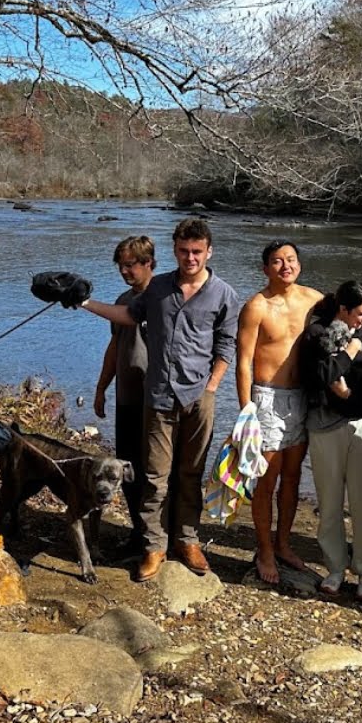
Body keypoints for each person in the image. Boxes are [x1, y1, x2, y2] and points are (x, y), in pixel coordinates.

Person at [235, 241, 362, 585]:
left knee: (293, 477)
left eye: (291, 260)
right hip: (268, 397)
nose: (286, 266)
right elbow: (244, 362)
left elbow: (355, 311)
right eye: (277, 261)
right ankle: (264, 550)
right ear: (265, 268)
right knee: (267, 479)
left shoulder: (312, 298)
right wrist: (246, 410)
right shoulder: (256, 307)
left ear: (299, 264)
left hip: (304, 398)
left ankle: (283, 544)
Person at [80, 218, 237, 582]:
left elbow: (226, 344)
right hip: (159, 395)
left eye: (197, 252)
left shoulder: (223, 293)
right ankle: (154, 546)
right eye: (183, 251)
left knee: (191, 473)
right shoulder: (159, 289)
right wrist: (84, 302)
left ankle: (187, 540)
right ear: (175, 250)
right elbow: (128, 317)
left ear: (209, 251)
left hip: (200, 396)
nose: (190, 258)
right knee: (154, 475)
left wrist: (212, 386)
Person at [301, 281, 362, 599]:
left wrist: (350, 395)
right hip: (323, 426)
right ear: (343, 310)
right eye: (361, 314)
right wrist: (349, 354)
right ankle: (335, 567)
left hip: (359, 423)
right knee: (330, 501)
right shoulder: (316, 334)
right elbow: (320, 376)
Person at [92, 235, 155, 554]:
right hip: (127, 397)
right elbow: (115, 347)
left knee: (155, 470)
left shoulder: (163, 296)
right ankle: (137, 531)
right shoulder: (121, 298)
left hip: (157, 401)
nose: (125, 271)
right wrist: (102, 388)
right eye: (121, 266)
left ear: (149, 263)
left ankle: (156, 536)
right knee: (128, 471)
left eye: (130, 265)